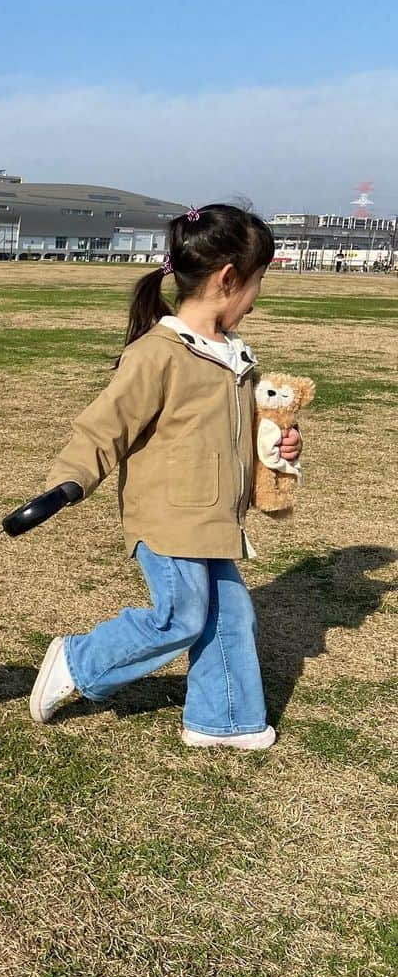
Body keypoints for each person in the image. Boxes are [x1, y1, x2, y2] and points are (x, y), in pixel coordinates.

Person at [30, 204, 302, 750]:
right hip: (170, 515)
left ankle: (223, 719)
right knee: (181, 615)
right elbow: (105, 425)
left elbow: (229, 432)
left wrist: (275, 447)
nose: (256, 297)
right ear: (229, 279)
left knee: (229, 617)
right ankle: (79, 662)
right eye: (257, 283)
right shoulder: (158, 354)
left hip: (216, 518)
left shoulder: (232, 356)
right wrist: (70, 479)